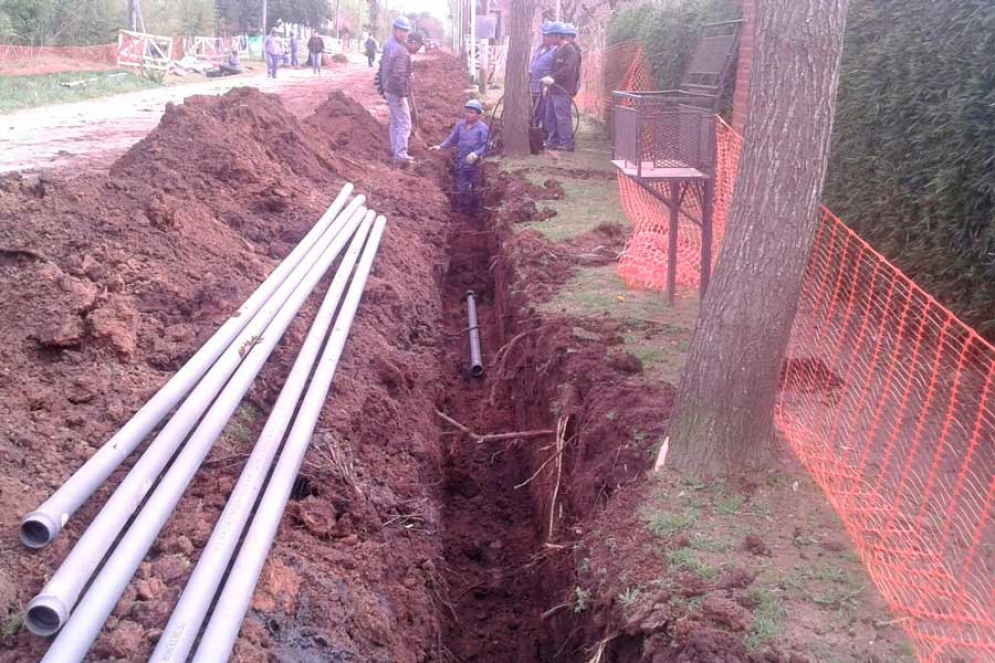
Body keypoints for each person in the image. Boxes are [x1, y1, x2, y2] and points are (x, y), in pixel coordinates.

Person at [429, 100, 490, 214]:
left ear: (478, 114)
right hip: (461, 163)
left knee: (475, 188)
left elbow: (486, 146)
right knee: (462, 188)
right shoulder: (460, 125)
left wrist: (476, 153)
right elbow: (452, 139)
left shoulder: (483, 129)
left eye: (472, 112)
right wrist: (440, 146)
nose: (468, 114)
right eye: (467, 111)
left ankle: (475, 211)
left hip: (475, 165)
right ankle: (463, 210)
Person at [381, 17, 424, 167]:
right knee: (405, 123)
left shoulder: (395, 46)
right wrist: (401, 95)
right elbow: (397, 75)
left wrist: (407, 74)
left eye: (406, 31)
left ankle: (395, 151)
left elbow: (394, 70)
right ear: (395, 30)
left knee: (395, 121)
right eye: (401, 31)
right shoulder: (401, 51)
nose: (403, 34)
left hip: (390, 88)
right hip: (395, 91)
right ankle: (400, 155)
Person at [541, 26, 581, 151]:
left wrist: (552, 77)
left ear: (558, 35)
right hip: (553, 90)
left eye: (551, 36)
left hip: (563, 91)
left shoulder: (570, 51)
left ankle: (567, 142)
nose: (549, 38)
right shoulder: (558, 50)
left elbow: (568, 69)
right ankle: (553, 141)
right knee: (550, 117)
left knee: (562, 117)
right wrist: (548, 85)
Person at [529, 22, 560, 133]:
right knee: (534, 112)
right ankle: (534, 132)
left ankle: (545, 134)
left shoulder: (555, 51)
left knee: (544, 112)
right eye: (544, 35)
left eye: (547, 35)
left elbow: (555, 70)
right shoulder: (539, 49)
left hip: (544, 87)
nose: (545, 37)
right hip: (533, 86)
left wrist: (548, 83)